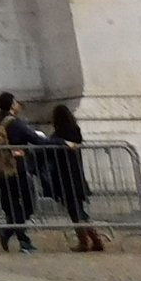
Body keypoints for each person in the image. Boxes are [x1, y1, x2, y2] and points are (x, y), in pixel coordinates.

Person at [46, 102, 101, 253]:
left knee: (74, 210)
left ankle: (85, 241)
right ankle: (94, 238)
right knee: (79, 209)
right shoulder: (75, 132)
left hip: (64, 176)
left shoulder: (59, 137)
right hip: (76, 175)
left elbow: (50, 151)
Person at [0, 94, 37, 252]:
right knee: (26, 204)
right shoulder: (15, 123)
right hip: (16, 168)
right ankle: (21, 239)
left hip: (1, 170)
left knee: (12, 206)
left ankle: (11, 232)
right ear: (11, 105)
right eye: (15, 102)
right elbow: (36, 139)